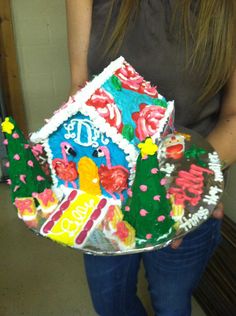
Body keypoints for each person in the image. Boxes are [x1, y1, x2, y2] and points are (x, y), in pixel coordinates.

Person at [65, 1, 236, 315]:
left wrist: (192, 181)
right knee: (110, 304)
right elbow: (82, 90)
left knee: (171, 305)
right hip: (105, 190)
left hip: (184, 194)